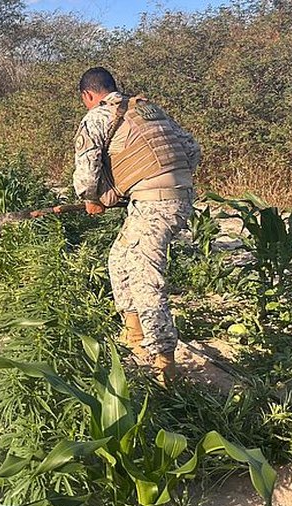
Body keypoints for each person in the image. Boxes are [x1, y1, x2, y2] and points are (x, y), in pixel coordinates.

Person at [72, 67, 200, 382]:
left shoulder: (97, 117)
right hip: (176, 196)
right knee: (119, 259)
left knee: (145, 278)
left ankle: (164, 366)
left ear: (89, 95)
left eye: (85, 101)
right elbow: (192, 150)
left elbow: (88, 172)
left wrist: (93, 198)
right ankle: (133, 335)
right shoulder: (147, 109)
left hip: (156, 203)